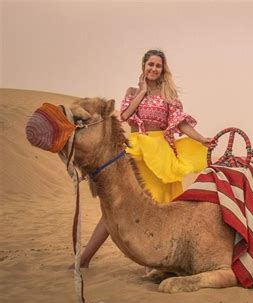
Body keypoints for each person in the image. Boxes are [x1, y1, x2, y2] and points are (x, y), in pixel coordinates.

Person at [74, 49, 212, 268]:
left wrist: (201, 138)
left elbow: (181, 124)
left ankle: (158, 262)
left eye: (158, 65)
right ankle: (85, 258)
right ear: (143, 66)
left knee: (161, 208)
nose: (154, 69)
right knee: (116, 206)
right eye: (150, 65)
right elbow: (126, 116)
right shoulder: (132, 91)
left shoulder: (169, 95)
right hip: (137, 152)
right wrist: (142, 92)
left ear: (163, 69)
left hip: (161, 156)